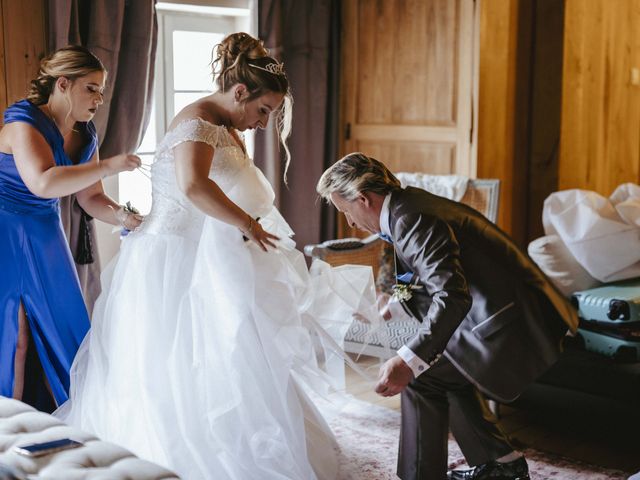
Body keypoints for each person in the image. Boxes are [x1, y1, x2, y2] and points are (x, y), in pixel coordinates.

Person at [56, 32, 373, 480]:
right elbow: (192, 187)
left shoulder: (225, 127)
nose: (264, 124)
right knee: (181, 362)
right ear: (239, 92)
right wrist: (246, 223)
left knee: (233, 354)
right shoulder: (197, 121)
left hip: (208, 258)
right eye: (262, 110)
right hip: (170, 261)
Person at [317, 152, 579, 480]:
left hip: (513, 325)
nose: (351, 223)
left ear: (362, 199)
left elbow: (451, 295)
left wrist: (407, 361)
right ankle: (501, 464)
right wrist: (394, 305)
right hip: (501, 316)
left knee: (421, 373)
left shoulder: (410, 217)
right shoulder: (406, 207)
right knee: (435, 365)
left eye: (346, 212)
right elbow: (440, 278)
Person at [0, 45, 142, 411]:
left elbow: (90, 197)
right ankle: (7, 434)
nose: (99, 98)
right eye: (91, 88)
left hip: (45, 230)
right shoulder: (22, 124)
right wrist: (110, 165)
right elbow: (44, 183)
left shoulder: (85, 135)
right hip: (4, 227)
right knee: (11, 338)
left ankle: (84, 417)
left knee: (70, 330)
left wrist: (126, 217)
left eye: (102, 90)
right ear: (63, 84)